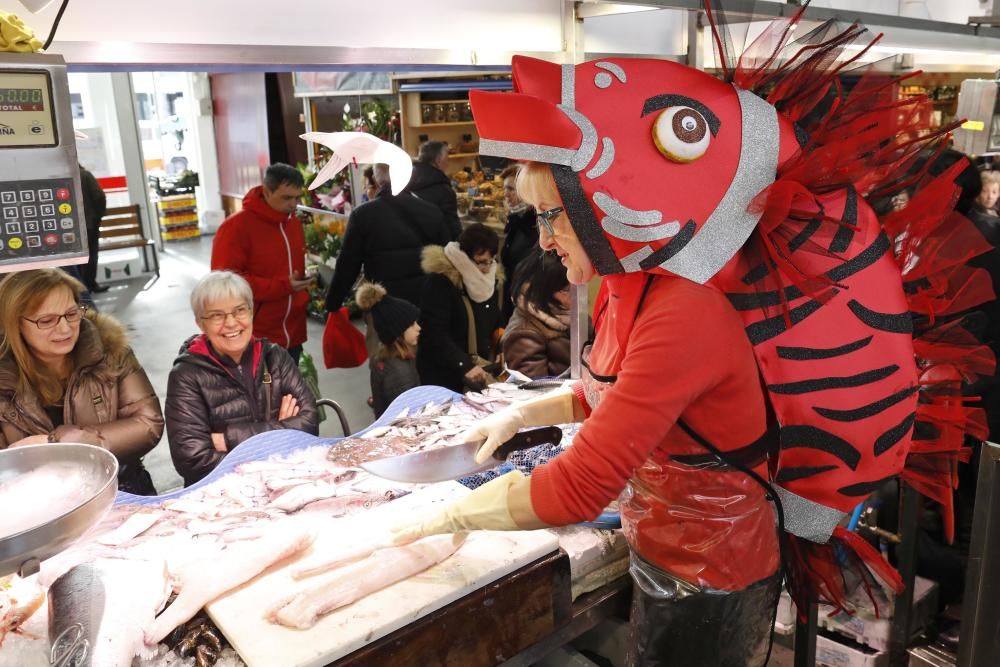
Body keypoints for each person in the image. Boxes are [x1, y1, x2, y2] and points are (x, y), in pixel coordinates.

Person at [0, 269, 162, 495]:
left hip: (120, 486)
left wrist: (55, 444)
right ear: (14, 324)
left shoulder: (110, 351)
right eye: (47, 321)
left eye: (72, 313)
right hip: (36, 502)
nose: (65, 329)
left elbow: (148, 424)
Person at [165, 271, 319, 486]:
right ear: (201, 323)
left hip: (285, 481)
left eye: (239, 310)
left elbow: (309, 424)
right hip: (223, 492)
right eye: (217, 315)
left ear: (251, 312)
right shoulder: (186, 376)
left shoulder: (275, 357)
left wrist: (227, 439)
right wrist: (280, 431)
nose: (231, 323)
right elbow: (192, 459)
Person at [211, 163, 311, 363]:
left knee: (288, 392)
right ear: (266, 191)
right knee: (261, 393)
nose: (293, 204)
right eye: (286, 197)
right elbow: (226, 284)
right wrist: (284, 286)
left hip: (293, 332)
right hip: (255, 336)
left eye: (297, 197)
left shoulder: (293, 224)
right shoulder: (235, 228)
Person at [324, 163, 450, 313]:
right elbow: (447, 257)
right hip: (426, 299)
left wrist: (333, 303)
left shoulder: (363, 215)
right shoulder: (431, 211)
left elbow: (348, 264)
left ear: (376, 179)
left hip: (383, 303)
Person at [417, 223, 504, 393]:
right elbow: (433, 333)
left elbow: (495, 318)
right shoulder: (440, 282)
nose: (486, 269)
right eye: (480, 263)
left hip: (478, 371)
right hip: (446, 375)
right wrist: (464, 365)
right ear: (463, 257)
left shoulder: (489, 280)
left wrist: (501, 343)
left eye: (490, 261)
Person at [355, 281, 421, 418]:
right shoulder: (399, 371)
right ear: (398, 331)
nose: (418, 328)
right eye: (412, 324)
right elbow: (409, 416)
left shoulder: (385, 360)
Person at [501, 251, 570, 379]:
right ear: (544, 290)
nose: (573, 294)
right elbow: (536, 391)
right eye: (565, 290)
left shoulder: (568, 313)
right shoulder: (524, 333)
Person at [499, 164, 539, 322]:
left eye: (511, 189)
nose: (505, 194)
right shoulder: (516, 220)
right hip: (514, 297)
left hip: (528, 305)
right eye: (505, 189)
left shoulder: (535, 226)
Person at [405, 140, 460, 239]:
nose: (448, 161)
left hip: (410, 242)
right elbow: (453, 229)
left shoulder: (405, 182)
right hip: (436, 248)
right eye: (447, 157)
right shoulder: (444, 191)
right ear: (438, 160)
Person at [79, 165, 108, 293]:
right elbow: (99, 196)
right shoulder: (85, 175)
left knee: (75, 259)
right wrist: (98, 216)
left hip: (69, 229)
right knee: (91, 255)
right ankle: (90, 285)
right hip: (89, 224)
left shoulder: (59, 177)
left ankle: (79, 288)